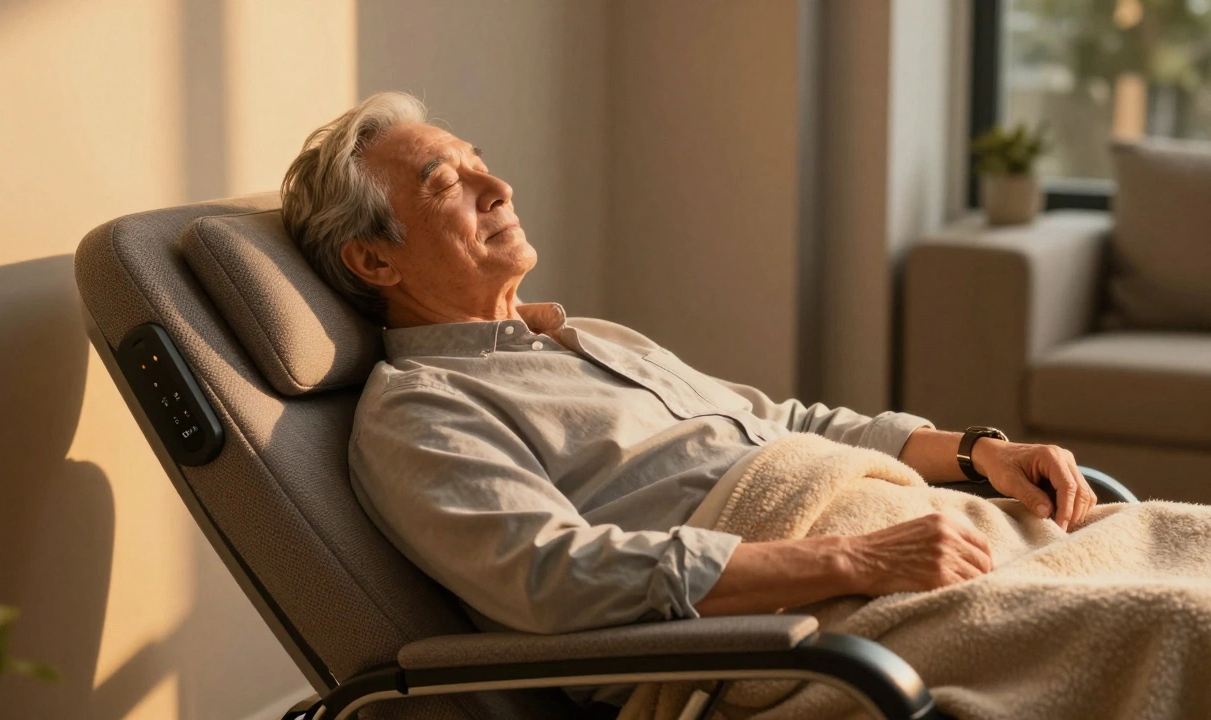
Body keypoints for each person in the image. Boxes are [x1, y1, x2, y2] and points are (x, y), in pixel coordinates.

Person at [280, 90, 1097, 663]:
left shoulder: (582, 338)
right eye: (448, 184)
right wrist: (861, 559)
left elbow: (787, 423)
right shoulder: (418, 411)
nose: (499, 189)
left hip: (919, 535)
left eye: (480, 165)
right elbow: (551, 577)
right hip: (807, 622)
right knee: (1147, 632)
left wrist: (982, 453)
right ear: (374, 261)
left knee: (1151, 553)